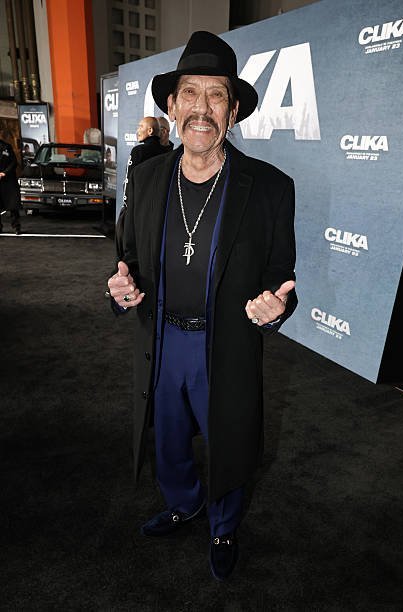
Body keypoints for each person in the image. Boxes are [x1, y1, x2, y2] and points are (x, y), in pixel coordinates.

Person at [107, 31, 297, 581]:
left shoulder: (270, 188)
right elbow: (128, 258)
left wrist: (275, 309)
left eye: (217, 96)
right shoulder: (146, 178)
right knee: (167, 438)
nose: (201, 108)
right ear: (171, 106)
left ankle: (223, 524)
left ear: (233, 112)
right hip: (162, 339)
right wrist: (121, 289)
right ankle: (182, 502)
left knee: (230, 438)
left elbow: (281, 276)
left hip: (225, 344)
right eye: (190, 93)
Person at [116, 117, 168, 259]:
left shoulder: (138, 151)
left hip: (135, 212)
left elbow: (128, 182)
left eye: (140, 126)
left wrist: (127, 208)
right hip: (158, 213)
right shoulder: (167, 152)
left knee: (128, 256)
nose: (137, 130)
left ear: (150, 131)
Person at [0, 132, 21, 235]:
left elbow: (14, 162)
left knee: (13, 206)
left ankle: (16, 227)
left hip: (9, 181)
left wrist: (4, 173)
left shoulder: (6, 147)